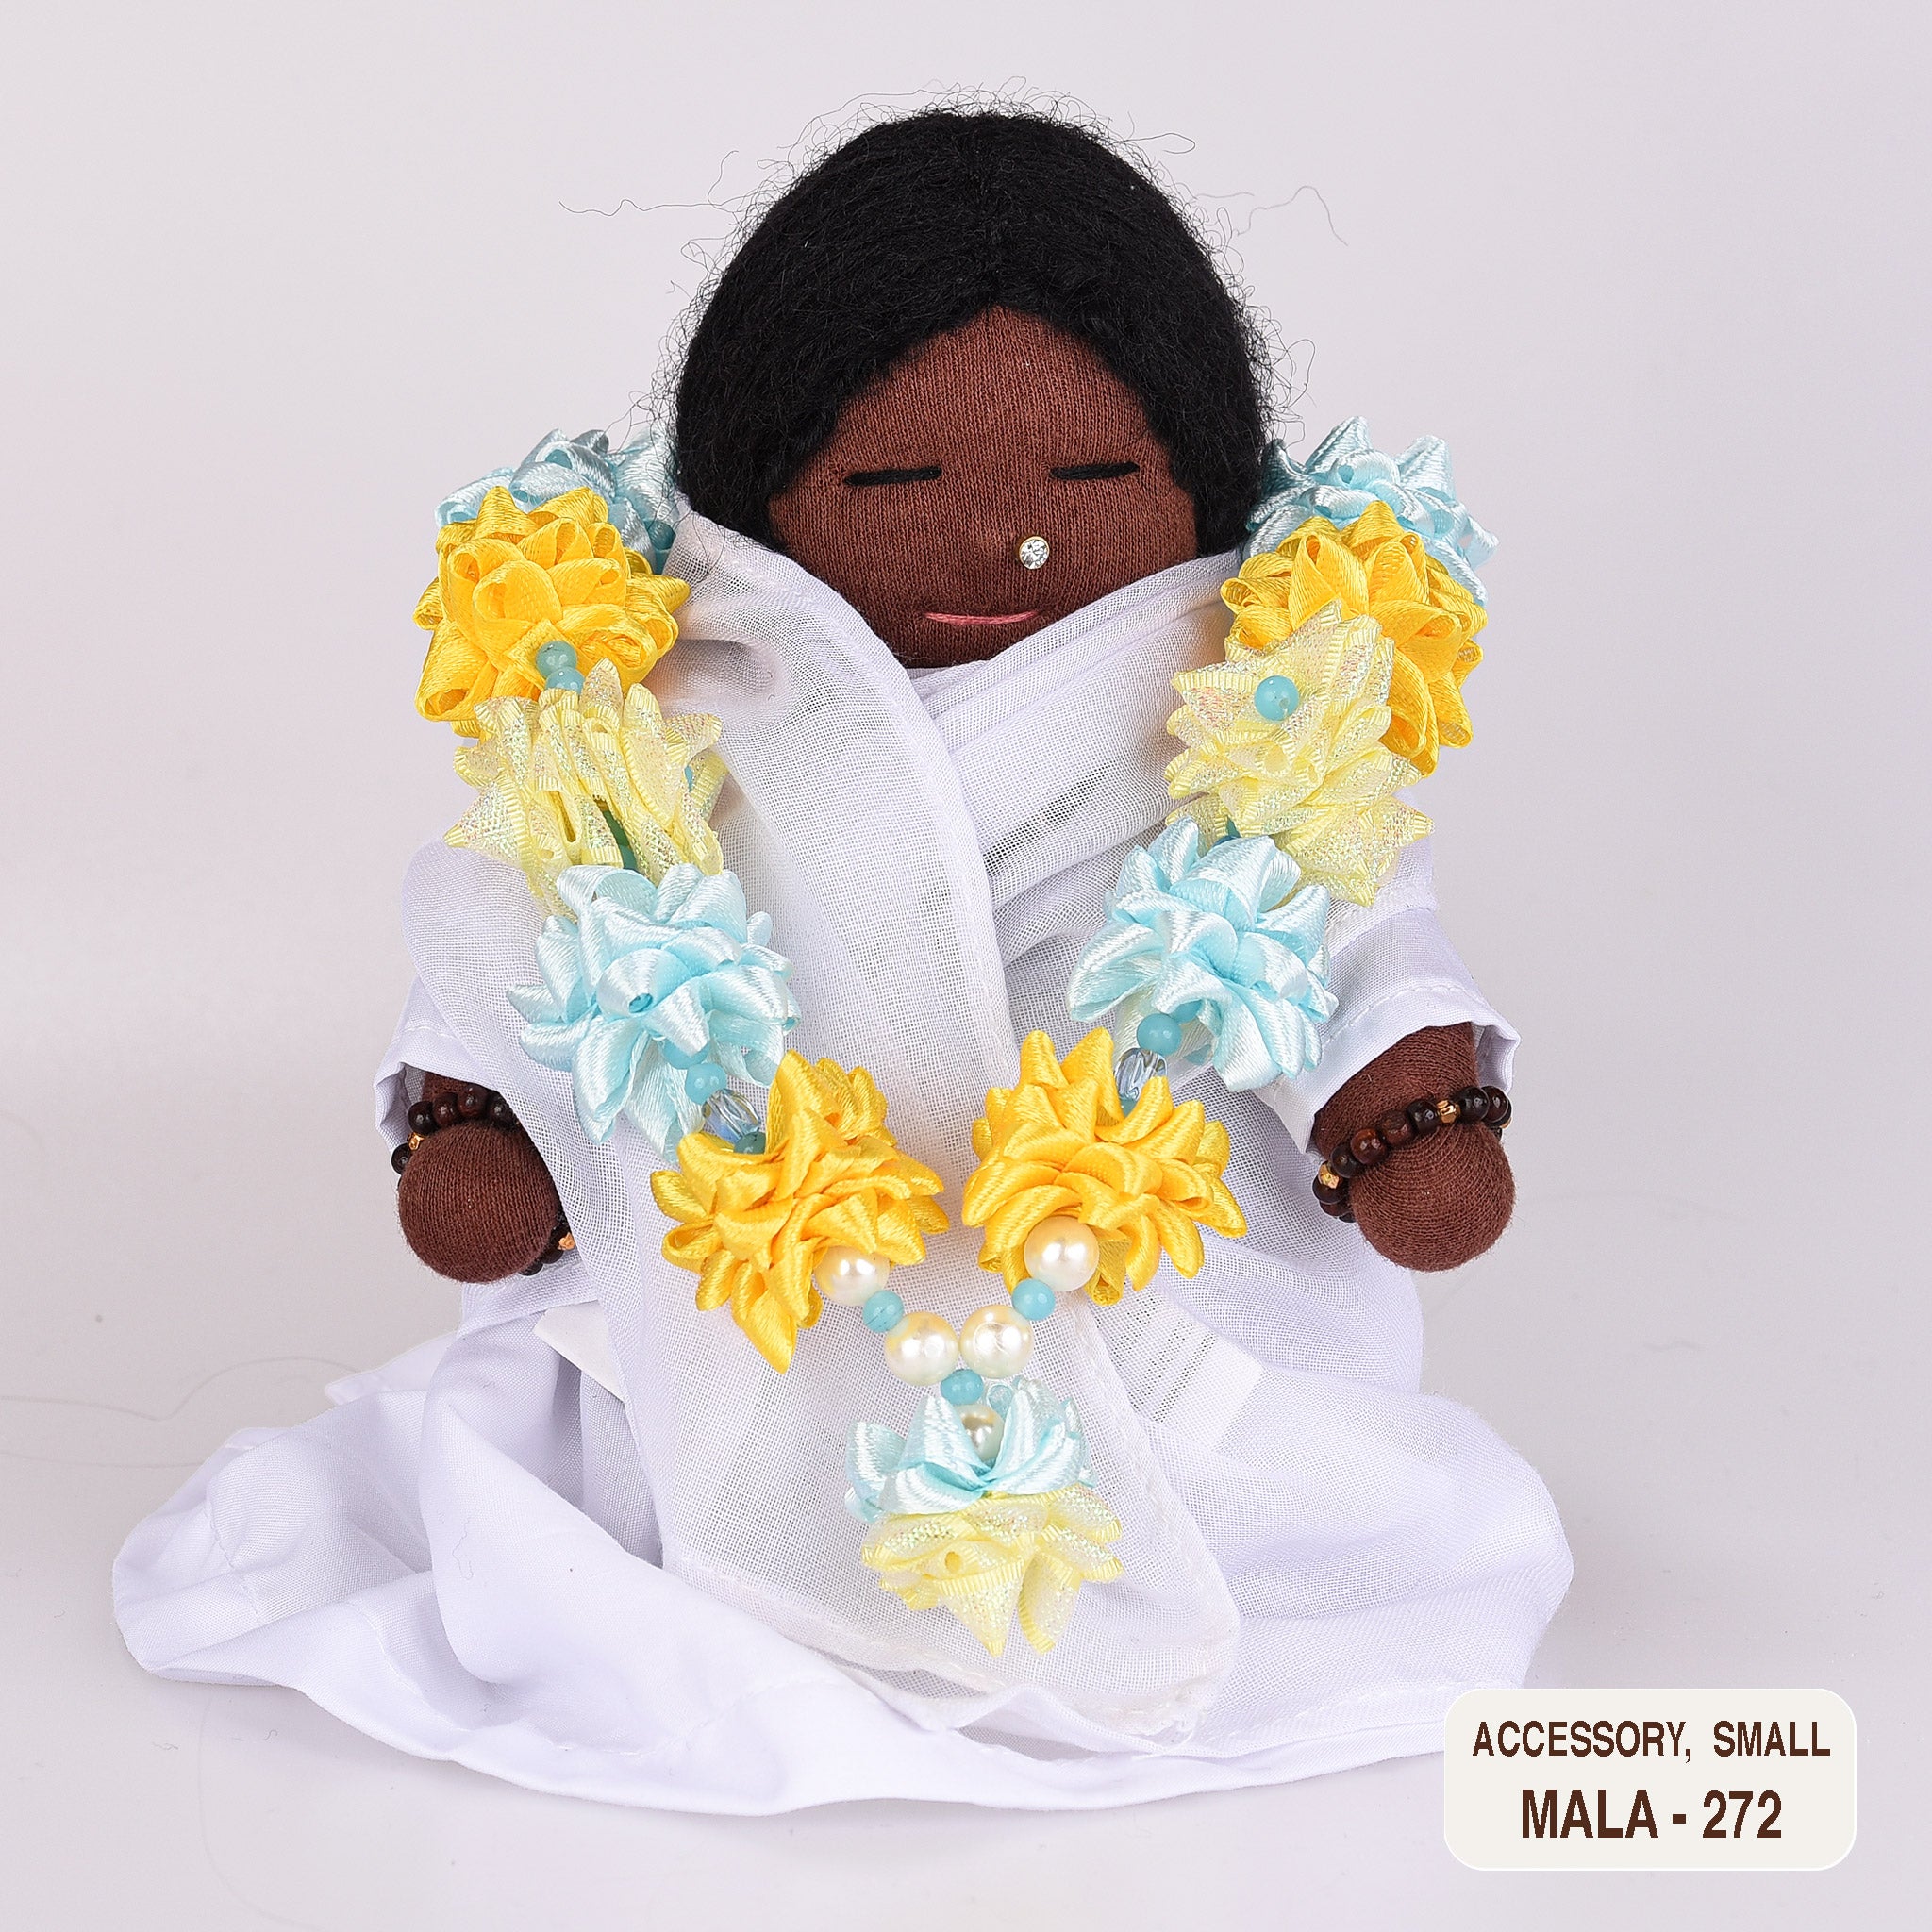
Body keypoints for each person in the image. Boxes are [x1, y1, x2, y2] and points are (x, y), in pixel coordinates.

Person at [117, 108, 1569, 1812]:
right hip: (757, 1281)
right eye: (895, 487)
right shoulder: (670, 718)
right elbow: (540, 911)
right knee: (636, 1425)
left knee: (1262, 1461)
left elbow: (1340, 910)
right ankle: (746, 1527)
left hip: (1151, 1280)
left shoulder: (1253, 729)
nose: (1014, 547)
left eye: (1089, 487)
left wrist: (1402, 1100)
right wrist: (486, 1115)